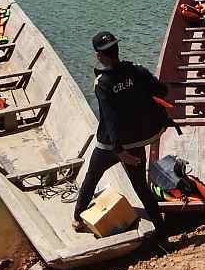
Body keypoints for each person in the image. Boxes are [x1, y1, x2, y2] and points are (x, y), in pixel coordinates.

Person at [73, 31, 170, 242]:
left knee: (92, 176)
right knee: (141, 187)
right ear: (117, 50)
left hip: (110, 146)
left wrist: (119, 151)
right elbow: (162, 91)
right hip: (136, 141)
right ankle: (162, 232)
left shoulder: (103, 83)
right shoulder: (136, 71)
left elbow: (110, 119)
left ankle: (77, 219)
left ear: (99, 55)